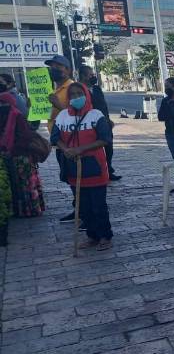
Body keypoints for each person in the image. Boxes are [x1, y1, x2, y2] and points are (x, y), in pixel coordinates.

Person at [50, 83, 113, 251]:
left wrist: (81, 149)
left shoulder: (95, 114)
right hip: (73, 168)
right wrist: (67, 150)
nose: (76, 97)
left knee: (98, 205)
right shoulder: (63, 115)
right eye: (72, 94)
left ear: (86, 94)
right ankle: (92, 236)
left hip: (94, 167)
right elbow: (55, 137)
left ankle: (105, 236)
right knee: (82, 206)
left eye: (80, 93)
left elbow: (105, 138)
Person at [0, 93, 44, 218]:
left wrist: (12, 150)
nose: (2, 106)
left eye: (4, 103)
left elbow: (25, 137)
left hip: (21, 157)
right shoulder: (3, 117)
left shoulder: (17, 116)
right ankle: (19, 210)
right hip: (8, 157)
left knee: (26, 185)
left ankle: (31, 210)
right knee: (15, 185)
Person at [46, 55, 76, 223]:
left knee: (76, 176)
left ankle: (85, 211)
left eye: (59, 66)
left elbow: (77, 114)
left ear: (68, 70)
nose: (55, 69)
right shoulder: (52, 89)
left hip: (71, 141)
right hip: (58, 141)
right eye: (52, 66)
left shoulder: (72, 88)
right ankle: (78, 208)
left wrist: (59, 105)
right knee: (69, 177)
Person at [80, 66, 120, 181]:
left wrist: (108, 119)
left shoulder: (96, 88)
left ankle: (109, 171)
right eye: (90, 75)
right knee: (96, 149)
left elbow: (103, 105)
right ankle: (98, 172)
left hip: (104, 122)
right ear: (83, 76)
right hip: (91, 124)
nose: (93, 77)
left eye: (93, 75)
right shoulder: (80, 90)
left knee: (109, 148)